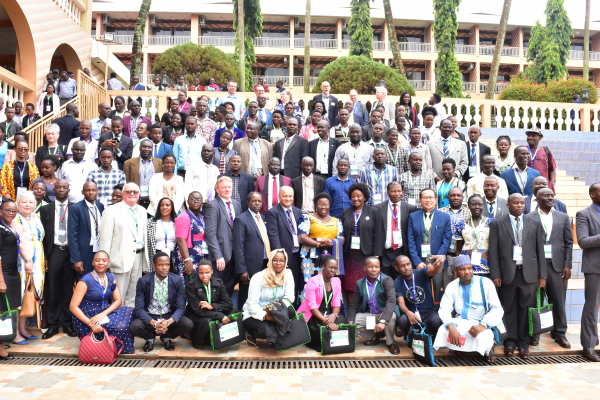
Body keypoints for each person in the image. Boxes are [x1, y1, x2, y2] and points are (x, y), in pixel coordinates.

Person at [488, 193, 546, 359]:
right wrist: (496, 274)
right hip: (507, 274)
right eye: (516, 203)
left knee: (526, 308)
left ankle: (523, 343)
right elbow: (493, 252)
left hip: (529, 274)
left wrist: (542, 275)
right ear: (508, 205)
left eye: (522, 203)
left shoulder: (534, 222)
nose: (520, 206)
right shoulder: (498, 223)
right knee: (509, 308)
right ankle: (510, 342)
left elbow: (540, 251)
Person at [433, 255, 503, 363]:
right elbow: (444, 310)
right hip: (460, 321)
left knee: (483, 336)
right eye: (462, 269)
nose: (467, 272)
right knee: (444, 330)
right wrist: (451, 328)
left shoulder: (485, 283)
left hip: (481, 322)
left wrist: (482, 325)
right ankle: (460, 347)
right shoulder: (452, 286)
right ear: (456, 271)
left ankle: (488, 348)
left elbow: (497, 309)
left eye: (469, 268)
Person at [528, 188, 572, 349]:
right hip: (536, 268)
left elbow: (568, 242)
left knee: (558, 301)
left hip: (558, 266)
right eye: (546, 195)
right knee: (535, 301)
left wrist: (568, 265)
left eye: (552, 195)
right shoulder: (529, 217)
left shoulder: (563, 217)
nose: (551, 197)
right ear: (538, 199)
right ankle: (535, 333)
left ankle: (560, 333)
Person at [69, 251, 135, 353]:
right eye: (97, 260)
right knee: (121, 327)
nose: (101, 263)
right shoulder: (85, 281)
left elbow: (118, 300)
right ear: (92, 263)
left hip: (104, 312)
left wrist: (102, 314)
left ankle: (111, 344)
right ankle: (107, 347)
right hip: (89, 315)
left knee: (131, 312)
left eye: (104, 261)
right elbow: (73, 307)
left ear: (108, 263)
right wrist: (91, 324)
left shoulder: (110, 277)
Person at [130, 252, 193, 352]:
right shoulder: (143, 281)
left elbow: (181, 307)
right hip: (150, 316)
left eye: (167, 264)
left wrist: (167, 322)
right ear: (154, 266)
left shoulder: (177, 280)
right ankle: (150, 338)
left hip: (168, 316)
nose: (165, 268)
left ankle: (167, 336)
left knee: (188, 324)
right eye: (161, 265)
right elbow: (139, 309)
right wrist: (155, 324)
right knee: (134, 326)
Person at [98, 183, 149, 307]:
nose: (132, 194)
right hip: (119, 258)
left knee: (133, 294)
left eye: (135, 192)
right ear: (122, 194)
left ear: (139, 195)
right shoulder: (111, 211)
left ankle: (128, 322)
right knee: (118, 295)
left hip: (138, 255)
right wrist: (104, 261)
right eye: (128, 191)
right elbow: (105, 238)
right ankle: (118, 323)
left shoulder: (142, 210)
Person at [39, 180, 75, 339]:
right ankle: (53, 325)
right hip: (54, 251)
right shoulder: (45, 209)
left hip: (70, 252)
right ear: (53, 189)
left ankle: (67, 324)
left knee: (68, 290)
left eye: (64, 187)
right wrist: (46, 256)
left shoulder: (75, 207)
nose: (61, 189)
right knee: (53, 289)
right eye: (58, 187)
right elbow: (43, 234)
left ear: (69, 189)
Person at [0, 199, 36, 352]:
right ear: (0, 211)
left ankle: (4, 340)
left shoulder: (10, 227)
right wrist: (1, 280)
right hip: (4, 273)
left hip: (14, 272)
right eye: (8, 210)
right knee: (3, 310)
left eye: (14, 211)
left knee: (11, 308)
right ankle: (2, 347)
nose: (11, 213)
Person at [242, 249, 295, 348]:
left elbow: (289, 297)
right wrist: (267, 316)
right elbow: (251, 304)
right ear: (270, 261)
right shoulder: (258, 277)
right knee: (266, 331)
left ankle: (275, 334)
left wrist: (273, 309)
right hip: (256, 313)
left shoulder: (287, 274)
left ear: (285, 262)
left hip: (276, 311)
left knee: (291, 312)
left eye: (282, 260)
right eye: (275, 260)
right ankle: (251, 334)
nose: (278, 263)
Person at [407, 188, 452, 303]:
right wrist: (417, 262)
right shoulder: (413, 216)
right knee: (418, 292)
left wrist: (435, 262)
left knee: (436, 292)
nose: (428, 200)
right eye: (425, 197)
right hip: (419, 262)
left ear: (436, 200)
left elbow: (446, 240)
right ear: (420, 200)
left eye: (431, 197)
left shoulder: (445, 217)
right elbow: (410, 240)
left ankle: (435, 316)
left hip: (437, 262)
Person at [347, 256, 399, 354]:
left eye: (377, 267)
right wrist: (350, 323)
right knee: (353, 323)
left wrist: (382, 321)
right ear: (364, 268)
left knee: (391, 316)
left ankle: (391, 342)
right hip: (370, 314)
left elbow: (391, 301)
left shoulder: (387, 280)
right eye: (370, 267)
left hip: (384, 313)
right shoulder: (360, 283)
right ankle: (375, 336)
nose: (374, 270)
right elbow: (354, 304)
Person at [297, 255, 347, 351]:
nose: (333, 270)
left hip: (330, 315)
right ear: (323, 266)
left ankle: (333, 344)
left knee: (342, 323)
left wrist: (334, 315)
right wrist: (325, 321)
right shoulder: (313, 281)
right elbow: (312, 307)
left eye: (335, 268)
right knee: (319, 330)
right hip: (315, 316)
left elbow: (337, 303)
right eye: (331, 267)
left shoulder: (336, 281)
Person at [341, 183, 382, 297]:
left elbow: (378, 234)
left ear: (365, 197)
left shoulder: (374, 211)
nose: (356, 199)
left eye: (359, 196)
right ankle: (352, 313)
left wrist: (376, 255)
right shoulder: (346, 212)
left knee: (366, 285)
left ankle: (367, 312)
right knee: (350, 286)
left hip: (366, 255)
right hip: (349, 256)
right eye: (353, 196)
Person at [204, 177, 242, 295]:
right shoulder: (212, 206)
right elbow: (210, 234)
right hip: (220, 257)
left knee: (229, 288)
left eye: (229, 187)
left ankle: (226, 311)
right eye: (224, 187)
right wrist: (218, 256)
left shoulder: (237, 204)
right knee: (217, 289)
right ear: (217, 189)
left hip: (234, 255)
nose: (227, 189)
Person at [233, 192, 271, 308]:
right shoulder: (241, 219)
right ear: (248, 202)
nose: (257, 203)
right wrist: (241, 269)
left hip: (265, 262)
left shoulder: (263, 218)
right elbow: (238, 246)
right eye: (254, 201)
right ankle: (243, 321)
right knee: (246, 295)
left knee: (261, 294)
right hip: (249, 267)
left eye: (259, 201)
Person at [265, 186, 304, 301]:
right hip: (283, 256)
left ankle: (294, 311)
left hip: (297, 255)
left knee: (295, 283)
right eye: (284, 196)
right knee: (282, 284)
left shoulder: (298, 212)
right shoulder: (273, 212)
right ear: (279, 197)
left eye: (290, 196)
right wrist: (281, 257)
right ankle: (281, 312)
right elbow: (273, 235)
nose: (287, 198)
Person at [184, 260, 234, 349]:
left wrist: (212, 306)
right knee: (204, 321)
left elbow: (229, 304)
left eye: (207, 272)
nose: (204, 276)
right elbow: (198, 311)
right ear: (198, 273)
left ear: (212, 271)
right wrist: (219, 315)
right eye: (201, 273)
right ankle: (196, 340)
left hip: (212, 311)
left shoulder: (218, 283)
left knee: (234, 312)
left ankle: (224, 337)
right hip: (196, 314)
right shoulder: (190, 286)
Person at [15, 191, 45, 339]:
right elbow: (20, 242)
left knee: (29, 293)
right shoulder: (16, 219)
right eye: (24, 202)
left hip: (37, 261)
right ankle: (15, 333)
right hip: (23, 261)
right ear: (17, 203)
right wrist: (28, 261)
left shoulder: (35, 217)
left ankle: (23, 328)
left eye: (30, 202)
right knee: (21, 293)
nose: (28, 205)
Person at [298, 193, 344, 286]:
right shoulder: (307, 217)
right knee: (311, 285)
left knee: (328, 285)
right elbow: (302, 238)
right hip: (310, 258)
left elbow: (341, 238)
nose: (323, 207)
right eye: (320, 205)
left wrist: (331, 242)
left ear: (329, 205)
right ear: (316, 205)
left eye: (326, 205)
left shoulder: (336, 221)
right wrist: (318, 244)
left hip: (331, 258)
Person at [576, 183, 600, 361]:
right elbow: (583, 241)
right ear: (592, 194)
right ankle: (589, 345)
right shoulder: (584, 214)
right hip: (595, 269)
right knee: (592, 307)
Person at [394, 254, 444, 339]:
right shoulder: (397, 282)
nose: (406, 268)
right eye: (402, 266)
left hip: (428, 311)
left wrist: (441, 261)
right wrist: (408, 312)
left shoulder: (421, 272)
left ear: (411, 264)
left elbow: (436, 271)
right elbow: (401, 303)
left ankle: (431, 337)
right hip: (412, 312)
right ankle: (411, 337)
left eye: (408, 264)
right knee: (402, 320)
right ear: (397, 268)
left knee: (436, 321)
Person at [374, 182, 417, 280]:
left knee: (400, 281)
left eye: (399, 191)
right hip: (384, 252)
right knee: (384, 282)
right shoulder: (377, 208)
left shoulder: (411, 209)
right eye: (393, 191)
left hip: (402, 251)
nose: (397, 193)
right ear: (388, 193)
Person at [68, 181, 104, 278]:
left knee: (98, 281)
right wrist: (76, 259)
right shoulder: (76, 208)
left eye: (93, 190)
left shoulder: (100, 206)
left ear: (97, 191)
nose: (91, 193)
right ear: (82, 192)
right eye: (88, 190)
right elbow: (72, 235)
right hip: (85, 253)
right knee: (84, 282)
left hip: (99, 251)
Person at [439, 187, 470, 286]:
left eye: (458, 195)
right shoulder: (440, 212)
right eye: (453, 195)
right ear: (448, 197)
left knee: (462, 285)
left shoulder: (469, 212)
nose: (456, 198)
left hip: (463, 255)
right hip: (446, 255)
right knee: (447, 285)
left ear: (463, 197)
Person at [454, 194, 492, 277]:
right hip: (466, 265)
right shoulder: (461, 224)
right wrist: (456, 269)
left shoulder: (491, 223)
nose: (477, 207)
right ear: (468, 206)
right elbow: (459, 249)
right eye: (474, 204)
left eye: (480, 204)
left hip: (486, 264)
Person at [173, 191, 207, 281]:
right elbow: (180, 240)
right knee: (187, 286)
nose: (196, 201)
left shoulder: (202, 217)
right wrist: (188, 260)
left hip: (200, 258)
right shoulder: (183, 217)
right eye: (193, 199)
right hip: (188, 258)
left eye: (199, 200)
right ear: (187, 201)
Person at [123, 139, 163, 209]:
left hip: (154, 202)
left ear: (152, 149)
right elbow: (126, 183)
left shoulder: (160, 163)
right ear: (139, 148)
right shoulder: (129, 163)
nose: (146, 149)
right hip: (136, 201)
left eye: (149, 147)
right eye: (144, 146)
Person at [525, 127, 557, 193]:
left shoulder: (546, 151)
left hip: (544, 188)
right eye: (529, 135)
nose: (530, 138)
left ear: (540, 137)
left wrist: (552, 184)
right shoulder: (522, 151)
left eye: (533, 136)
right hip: (528, 187)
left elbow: (552, 170)